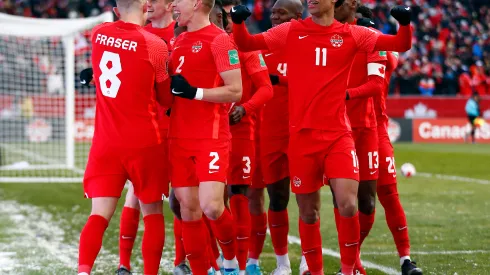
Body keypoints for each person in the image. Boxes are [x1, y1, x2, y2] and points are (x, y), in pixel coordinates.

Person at [229, 1, 413, 274]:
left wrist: (405, 24)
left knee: (349, 203)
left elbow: (400, 44)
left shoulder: (353, 34)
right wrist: (238, 22)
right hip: (302, 137)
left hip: (339, 134)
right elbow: (245, 43)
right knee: (308, 213)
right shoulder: (290, 30)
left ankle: (349, 269)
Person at [77, 0, 171, 275]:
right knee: (152, 213)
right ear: (145, 6)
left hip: (106, 142)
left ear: (117, 9)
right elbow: (166, 99)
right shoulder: (154, 44)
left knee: (98, 215)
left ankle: (83, 271)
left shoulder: (98, 33)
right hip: (144, 140)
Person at [169, 0, 243, 272]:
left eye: (179, 0)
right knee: (187, 210)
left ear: (197, 3)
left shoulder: (220, 41)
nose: (173, 4)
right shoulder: (178, 41)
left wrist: (195, 92)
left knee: (211, 206)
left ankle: (232, 262)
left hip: (210, 137)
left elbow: (235, 91)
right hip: (178, 138)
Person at [355, 7, 423, 274]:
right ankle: (352, 260)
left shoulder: (372, 44)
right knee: (351, 201)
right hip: (345, 127)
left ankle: (405, 259)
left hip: (376, 127)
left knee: (384, 195)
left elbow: (390, 54)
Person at [115, 0, 176, 274]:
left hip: (179, 124)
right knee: (135, 195)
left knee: (183, 198)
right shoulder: (139, 36)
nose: (148, 4)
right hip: (148, 127)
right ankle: (124, 264)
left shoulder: (182, 32)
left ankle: (182, 262)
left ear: (169, 4)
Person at [244, 0, 303, 274]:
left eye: (282, 13)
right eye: (273, 13)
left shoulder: (308, 44)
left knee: (307, 197)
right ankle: (281, 262)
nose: (275, 17)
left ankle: (307, 257)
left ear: (299, 17)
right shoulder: (260, 46)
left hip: (303, 131)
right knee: (274, 196)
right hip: (267, 134)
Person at [219, 1, 274, 273]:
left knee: (243, 195)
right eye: (224, 15)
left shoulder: (248, 47)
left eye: (231, 15)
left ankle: (243, 265)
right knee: (202, 201)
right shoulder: (197, 42)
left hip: (243, 131)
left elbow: (266, 89)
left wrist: (245, 108)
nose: (228, 20)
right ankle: (214, 260)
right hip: (205, 132)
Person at [332, 1, 386, 274]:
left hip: (365, 128)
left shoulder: (368, 37)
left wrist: (348, 94)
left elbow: (378, 83)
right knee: (341, 201)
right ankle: (349, 265)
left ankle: (352, 258)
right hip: (335, 128)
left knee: (366, 202)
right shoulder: (325, 35)